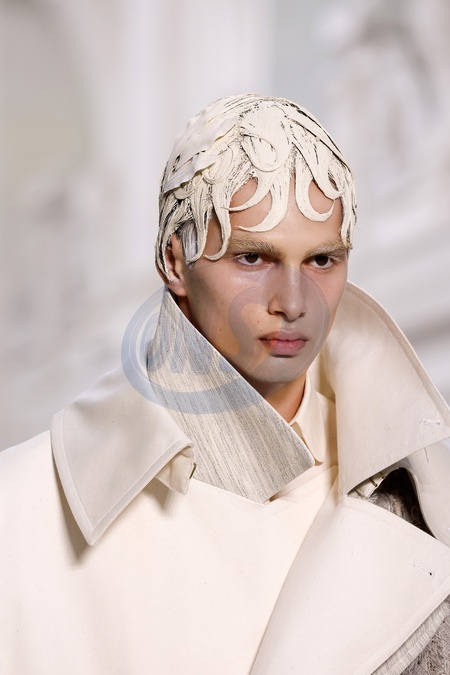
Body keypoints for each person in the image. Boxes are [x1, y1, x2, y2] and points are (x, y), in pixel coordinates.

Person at [1, 94, 449, 674]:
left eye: (321, 260)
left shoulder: (423, 499)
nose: (293, 303)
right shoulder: (19, 508)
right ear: (174, 262)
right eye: (253, 258)